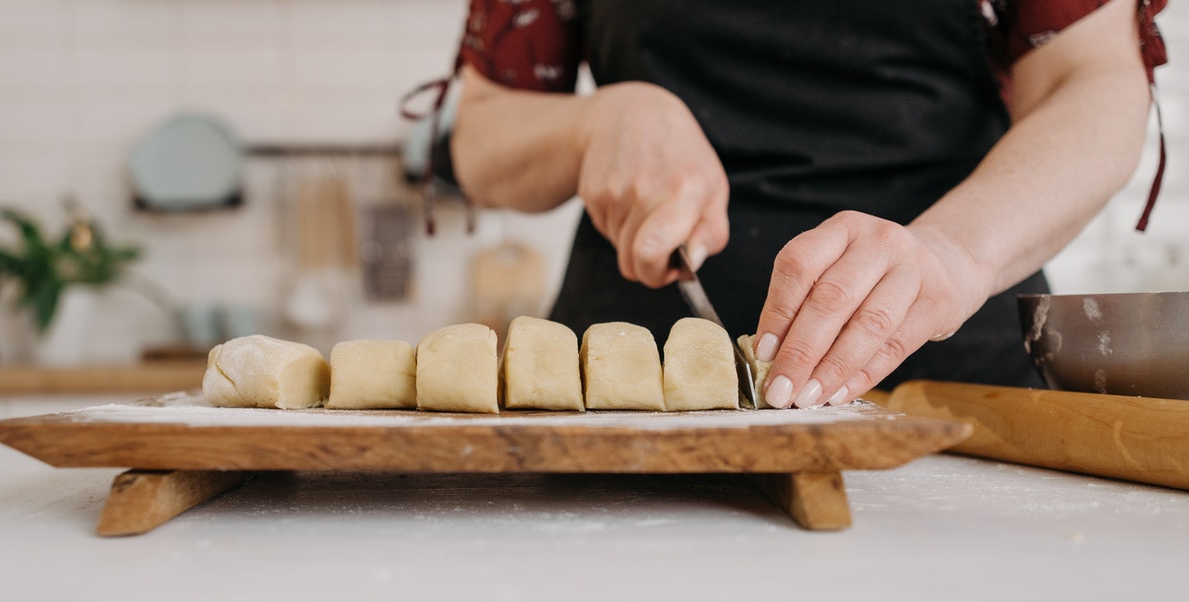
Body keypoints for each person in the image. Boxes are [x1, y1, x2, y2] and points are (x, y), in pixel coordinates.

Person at [436, 0, 1168, 408]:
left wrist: (952, 252)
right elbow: (483, 135)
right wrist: (591, 122)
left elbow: (1095, 79)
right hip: (632, 389)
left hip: (959, 385)